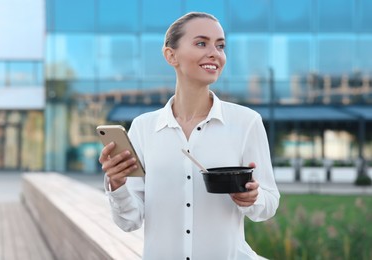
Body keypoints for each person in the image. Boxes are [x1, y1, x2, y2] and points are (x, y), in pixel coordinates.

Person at [99, 12, 280, 260]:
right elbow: (129, 221)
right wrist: (117, 185)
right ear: (170, 55)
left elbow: (269, 204)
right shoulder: (143, 128)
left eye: (220, 45)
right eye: (201, 43)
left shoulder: (246, 122)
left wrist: (252, 197)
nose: (215, 53)